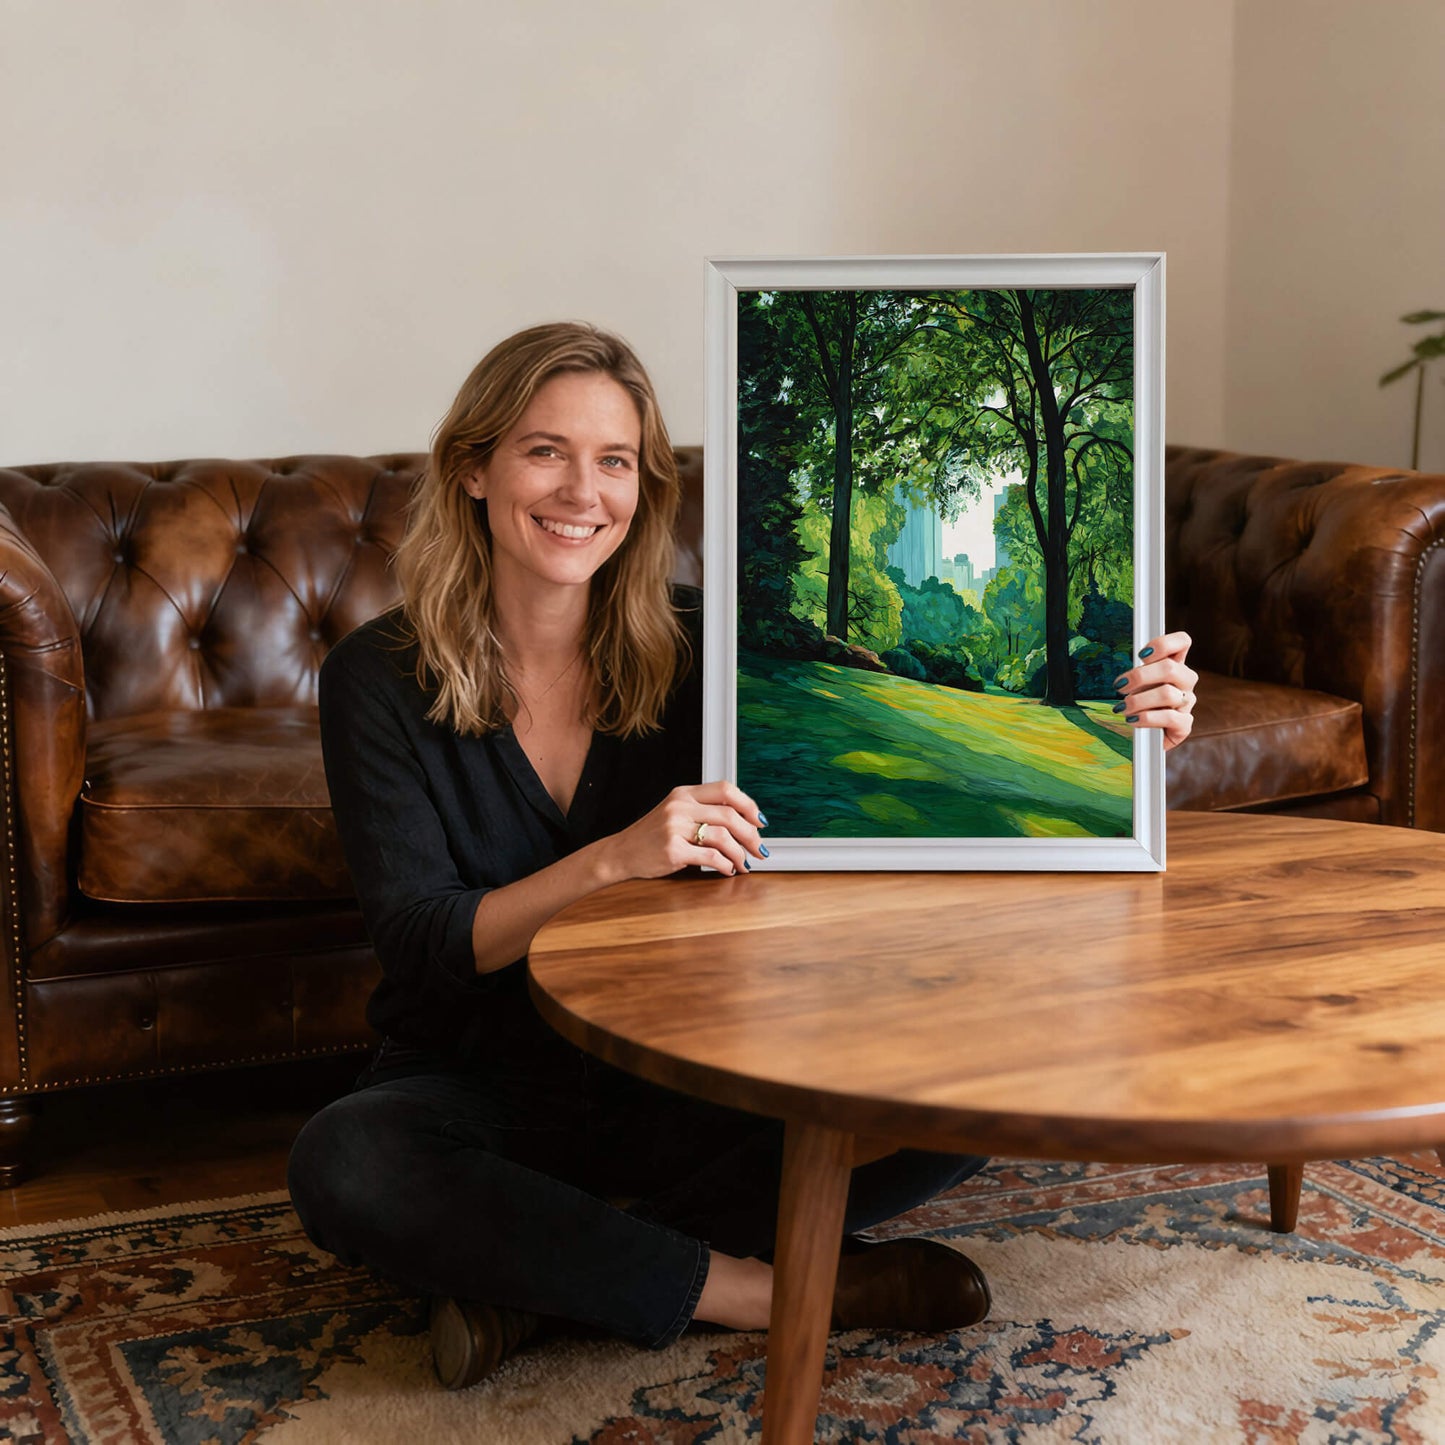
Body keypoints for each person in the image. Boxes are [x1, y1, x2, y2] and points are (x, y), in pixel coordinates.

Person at [287, 321, 1198, 1390]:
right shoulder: (374, 675)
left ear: (643, 487)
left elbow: (893, 811)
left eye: (615, 460)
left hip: (684, 1071)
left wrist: (1127, 734)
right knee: (345, 1162)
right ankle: (788, 1291)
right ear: (472, 468)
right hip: (479, 1080)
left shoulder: (704, 650)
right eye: (544, 450)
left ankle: (537, 1278)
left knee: (992, 1073)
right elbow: (422, 938)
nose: (582, 489)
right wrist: (611, 860)